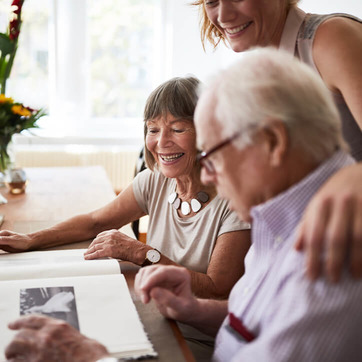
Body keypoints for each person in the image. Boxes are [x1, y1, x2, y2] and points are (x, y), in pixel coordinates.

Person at [134, 48, 362, 361]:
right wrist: (195, 309)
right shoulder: (274, 217)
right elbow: (258, 324)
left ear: (272, 142)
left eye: (211, 157)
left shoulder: (331, 248)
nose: (209, 177)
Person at [0, 76, 250, 301]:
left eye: (177, 129)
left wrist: (143, 253)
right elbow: (95, 222)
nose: (161, 142)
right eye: (153, 129)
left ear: (207, 133)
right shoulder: (154, 181)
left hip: (196, 335)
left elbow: (217, 290)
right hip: (158, 307)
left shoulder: (236, 202)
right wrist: (30, 240)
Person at [192, 0, 362, 282]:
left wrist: (355, 174)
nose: (222, 15)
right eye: (211, 1)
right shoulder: (263, 67)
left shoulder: (330, 38)